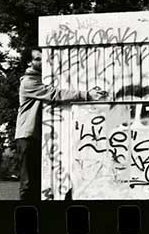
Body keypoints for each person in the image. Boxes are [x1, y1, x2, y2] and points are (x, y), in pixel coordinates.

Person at [15, 48, 107, 200]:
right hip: (27, 136)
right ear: (29, 62)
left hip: (35, 137)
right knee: (28, 182)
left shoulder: (40, 79)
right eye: (38, 59)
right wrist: (86, 95)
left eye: (43, 58)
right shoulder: (28, 82)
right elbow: (54, 94)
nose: (42, 61)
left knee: (37, 182)